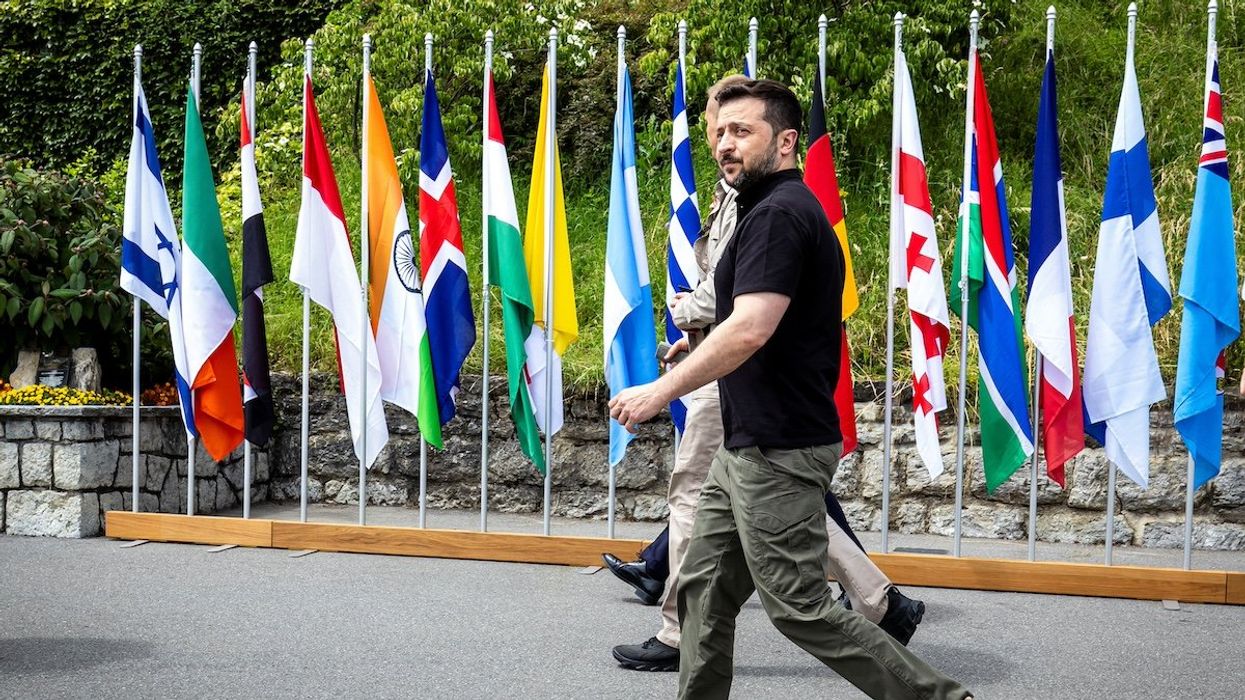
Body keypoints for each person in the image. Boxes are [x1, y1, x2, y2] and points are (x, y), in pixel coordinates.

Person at [609, 79, 971, 700]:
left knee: (799, 607)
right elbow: (751, 315)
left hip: (777, 448)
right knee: (700, 588)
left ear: (785, 141)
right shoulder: (770, 210)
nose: (725, 144)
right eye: (720, 132)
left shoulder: (777, 215)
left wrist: (659, 390)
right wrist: (696, 344)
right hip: (746, 444)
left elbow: (751, 329)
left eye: (742, 132)